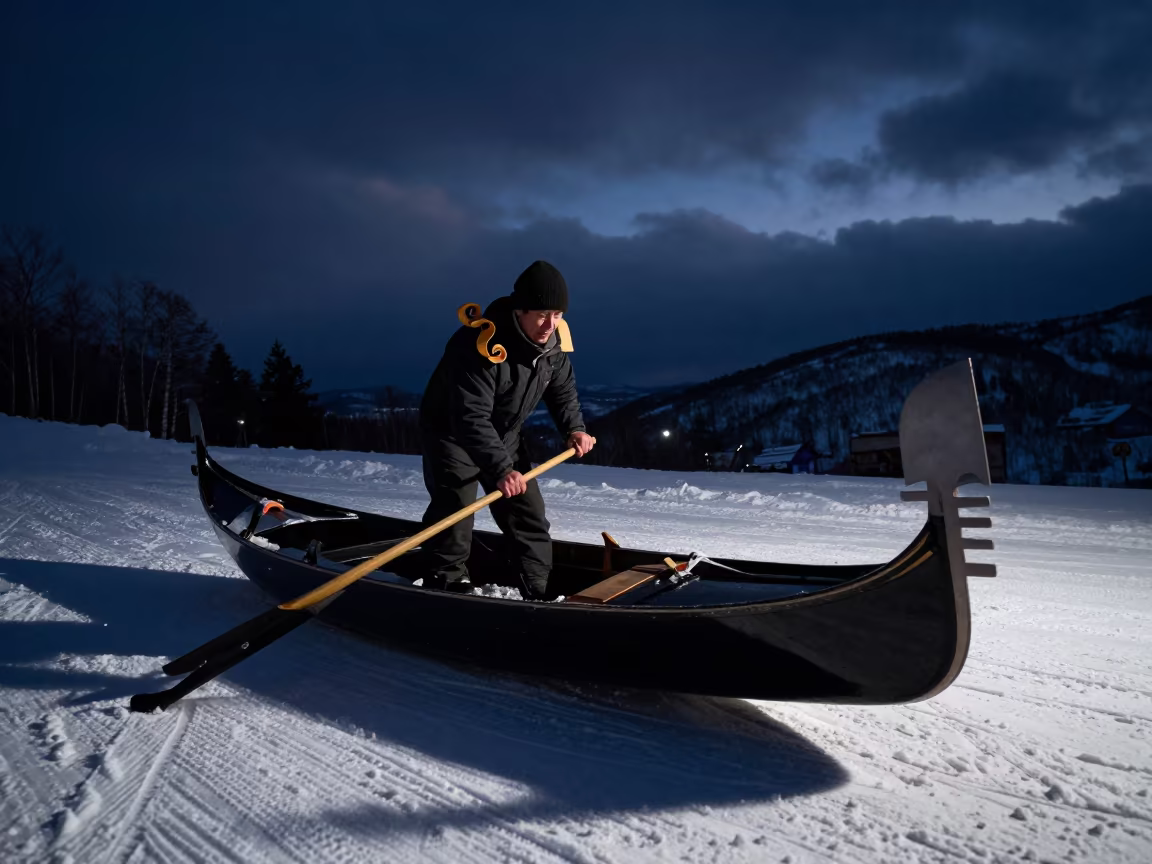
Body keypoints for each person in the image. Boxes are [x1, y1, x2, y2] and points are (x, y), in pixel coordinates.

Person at [417, 260, 596, 599]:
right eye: (542, 314)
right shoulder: (478, 343)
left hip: (504, 435)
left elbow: (562, 390)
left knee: (528, 510)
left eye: (557, 314)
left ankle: (538, 589)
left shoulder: (554, 342)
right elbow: (469, 416)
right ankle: (447, 583)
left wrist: (574, 428)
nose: (550, 324)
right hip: (452, 435)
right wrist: (501, 469)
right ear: (520, 310)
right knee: (456, 508)